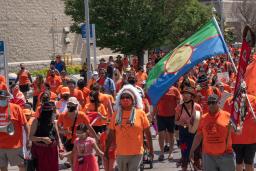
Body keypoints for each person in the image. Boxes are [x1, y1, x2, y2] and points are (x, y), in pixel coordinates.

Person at [105, 84, 153, 171]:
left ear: (133, 100)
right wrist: (106, 150)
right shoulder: (115, 115)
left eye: (128, 97)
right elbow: (111, 134)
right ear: (119, 101)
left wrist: (151, 150)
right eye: (123, 97)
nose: (125, 99)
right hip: (121, 153)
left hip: (137, 152)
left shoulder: (140, 113)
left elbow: (148, 133)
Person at [190, 94, 235, 171]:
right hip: (208, 156)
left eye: (213, 102)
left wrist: (234, 128)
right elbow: (198, 135)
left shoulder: (227, 116)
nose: (211, 105)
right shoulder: (203, 118)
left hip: (226, 155)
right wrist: (191, 150)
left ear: (218, 103)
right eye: (209, 103)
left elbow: (237, 131)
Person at [57, 97, 98, 168]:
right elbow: (57, 127)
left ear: (76, 106)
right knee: (73, 162)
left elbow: (89, 127)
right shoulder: (63, 115)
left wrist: (96, 138)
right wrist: (63, 131)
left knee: (80, 162)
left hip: (81, 141)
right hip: (69, 141)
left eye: (72, 105)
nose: (70, 106)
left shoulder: (81, 115)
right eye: (69, 105)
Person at [223, 93, 256, 171]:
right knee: (238, 163)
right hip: (235, 140)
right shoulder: (229, 101)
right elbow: (224, 118)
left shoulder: (254, 100)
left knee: (249, 163)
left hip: (251, 140)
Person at [0, 89, 29, 171]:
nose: (2, 100)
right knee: (2, 167)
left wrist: (28, 139)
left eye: (3, 98)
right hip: (0, 146)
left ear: (8, 98)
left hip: (14, 146)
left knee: (21, 166)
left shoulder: (16, 108)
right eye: (0, 98)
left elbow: (25, 124)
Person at [175, 85, 202, 171]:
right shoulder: (179, 107)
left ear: (191, 96)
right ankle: (184, 167)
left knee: (196, 154)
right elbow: (175, 121)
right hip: (183, 134)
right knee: (184, 153)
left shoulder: (197, 107)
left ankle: (196, 166)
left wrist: (194, 123)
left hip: (195, 133)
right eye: (183, 94)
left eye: (187, 94)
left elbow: (201, 121)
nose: (185, 96)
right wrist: (181, 122)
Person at [30, 101, 62, 171]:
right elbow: (31, 137)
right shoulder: (36, 122)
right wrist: (42, 139)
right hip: (40, 151)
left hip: (52, 151)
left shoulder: (54, 122)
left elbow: (57, 137)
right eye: (53, 112)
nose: (55, 113)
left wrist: (61, 149)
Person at [155, 86, 181, 161]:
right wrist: (153, 114)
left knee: (171, 135)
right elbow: (155, 103)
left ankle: (170, 153)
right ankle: (162, 153)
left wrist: (178, 115)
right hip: (160, 116)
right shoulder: (159, 89)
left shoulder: (175, 90)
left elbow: (179, 102)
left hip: (171, 116)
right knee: (161, 134)